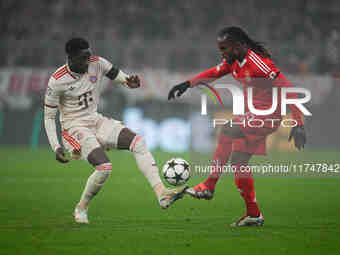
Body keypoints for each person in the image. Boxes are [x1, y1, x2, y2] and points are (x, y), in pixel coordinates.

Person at [168, 27, 306, 227]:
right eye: (220, 49)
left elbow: (289, 89)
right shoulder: (232, 62)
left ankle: (208, 185)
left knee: (227, 129)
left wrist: (298, 123)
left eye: (225, 48)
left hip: (269, 113)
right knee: (238, 162)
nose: (222, 53)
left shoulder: (259, 63)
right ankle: (253, 214)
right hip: (253, 113)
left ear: (239, 46)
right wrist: (187, 84)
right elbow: (212, 73)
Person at [44, 38, 187, 224]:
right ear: (70, 58)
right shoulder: (57, 80)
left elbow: (120, 77)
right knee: (104, 168)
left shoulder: (97, 63)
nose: (89, 60)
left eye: (89, 55)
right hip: (73, 128)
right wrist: (55, 147)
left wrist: (130, 82)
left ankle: (162, 193)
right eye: (83, 57)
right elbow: (48, 117)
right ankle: (81, 207)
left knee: (139, 142)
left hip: (95, 120)